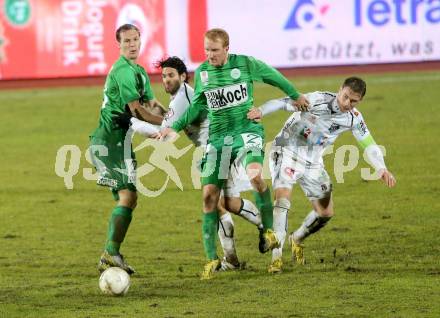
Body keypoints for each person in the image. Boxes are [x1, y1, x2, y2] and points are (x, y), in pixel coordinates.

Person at [158, 28, 309, 279]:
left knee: (255, 175)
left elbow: (273, 76)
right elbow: (197, 106)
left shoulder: (245, 64)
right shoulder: (203, 73)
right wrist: (172, 127)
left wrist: (295, 95)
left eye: (215, 50)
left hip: (246, 130)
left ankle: (269, 230)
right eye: (206, 50)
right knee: (209, 197)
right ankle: (211, 259)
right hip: (218, 139)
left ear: (227, 48)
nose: (210, 55)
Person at [115, 56, 265, 270]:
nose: (166, 80)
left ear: (183, 76)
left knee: (217, 205)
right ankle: (263, 228)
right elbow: (171, 119)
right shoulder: (183, 94)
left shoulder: (181, 98)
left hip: (214, 149)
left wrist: (131, 122)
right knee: (229, 203)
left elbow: (163, 134)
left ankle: (232, 259)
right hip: (221, 146)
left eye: (171, 75)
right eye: (164, 76)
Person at [248, 76, 396, 273]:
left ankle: (297, 238)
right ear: (340, 90)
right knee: (282, 200)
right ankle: (276, 259)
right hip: (286, 150)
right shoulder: (316, 100)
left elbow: (368, 143)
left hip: (313, 161)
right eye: (345, 97)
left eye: (353, 101)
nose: (347, 104)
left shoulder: (354, 118)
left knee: (325, 212)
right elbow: (282, 103)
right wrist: (260, 110)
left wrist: (381, 168)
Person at [89, 24, 165, 274]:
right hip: (109, 141)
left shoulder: (140, 71)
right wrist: (167, 124)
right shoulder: (123, 71)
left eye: (135, 39)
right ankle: (110, 254)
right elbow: (138, 110)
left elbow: (152, 105)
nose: (132, 44)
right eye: (127, 41)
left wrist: (177, 117)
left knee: (129, 200)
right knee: (128, 197)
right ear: (118, 45)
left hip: (123, 143)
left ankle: (111, 254)